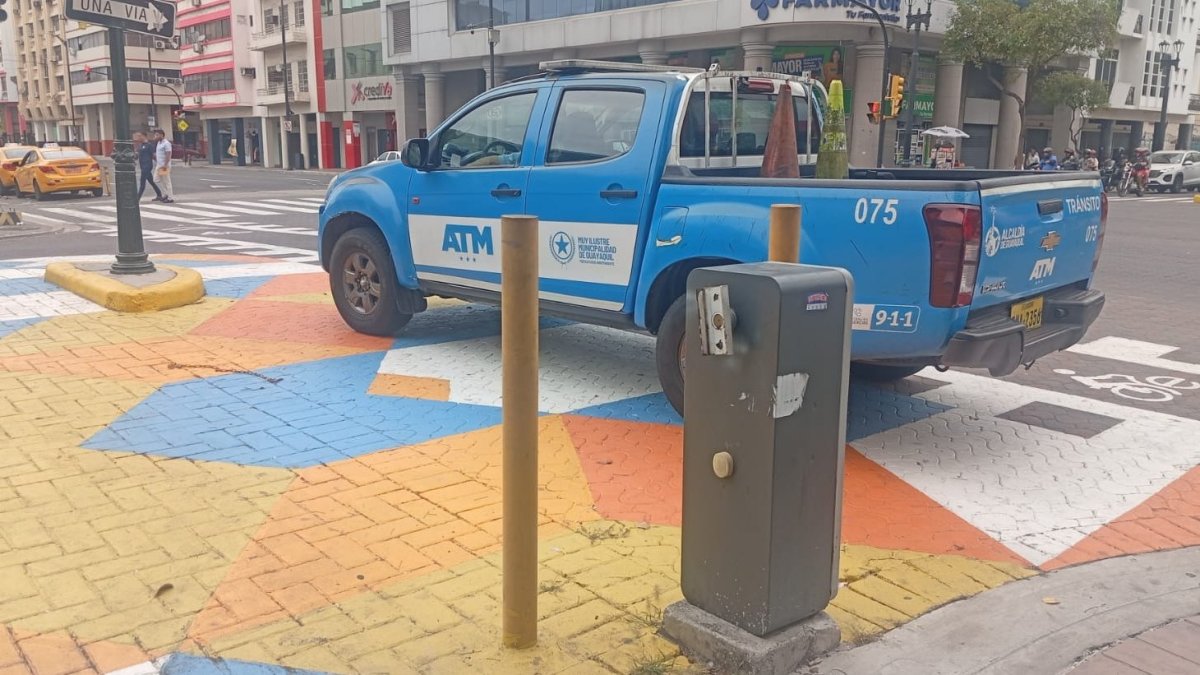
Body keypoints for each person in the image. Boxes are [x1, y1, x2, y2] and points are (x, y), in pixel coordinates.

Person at [133, 131, 164, 201]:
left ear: (144, 136)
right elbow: (136, 156)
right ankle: (159, 194)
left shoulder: (149, 145)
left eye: (139, 136)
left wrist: (160, 164)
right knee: (151, 181)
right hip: (142, 166)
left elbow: (154, 155)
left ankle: (137, 198)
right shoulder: (140, 146)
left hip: (147, 166)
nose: (138, 138)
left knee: (142, 182)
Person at [152, 128, 174, 203]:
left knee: (166, 181)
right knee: (157, 179)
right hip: (159, 165)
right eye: (155, 135)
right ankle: (166, 194)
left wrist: (165, 164)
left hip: (164, 165)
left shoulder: (166, 143)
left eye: (157, 135)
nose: (155, 136)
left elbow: (168, 154)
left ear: (161, 135)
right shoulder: (159, 143)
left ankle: (170, 197)